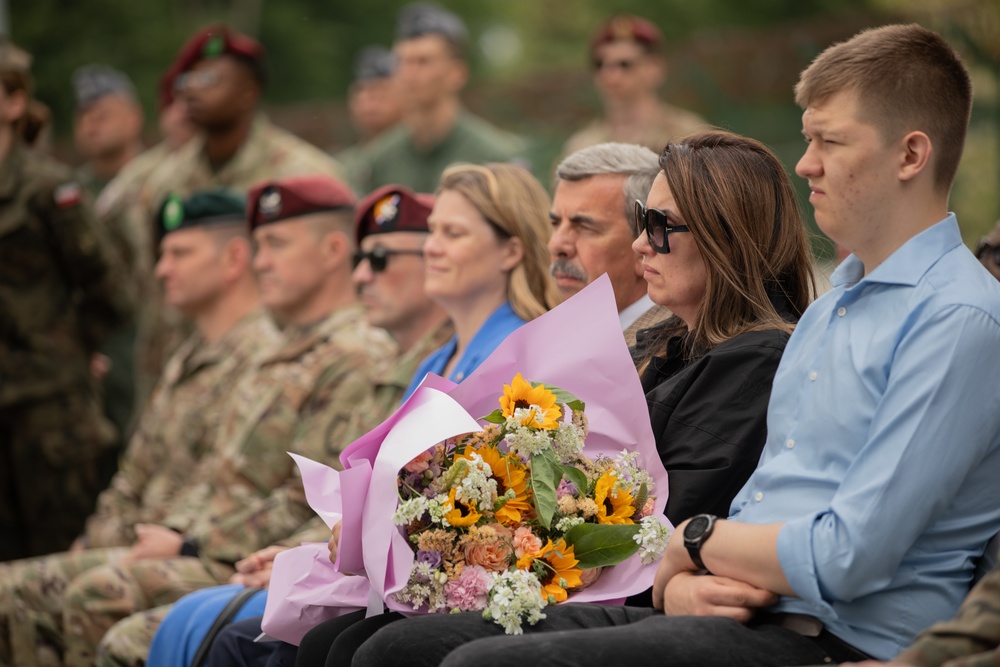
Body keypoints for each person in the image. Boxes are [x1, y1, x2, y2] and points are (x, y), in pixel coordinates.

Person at [352, 23, 1000, 667]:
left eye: (829, 141)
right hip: (754, 610)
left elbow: (848, 554)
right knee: (397, 644)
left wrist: (691, 542)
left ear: (910, 156)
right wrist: (681, 576)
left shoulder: (959, 318)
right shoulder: (833, 311)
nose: (806, 163)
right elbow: (763, 503)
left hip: (841, 639)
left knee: (478, 662)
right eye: (807, 139)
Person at [297, 129, 817, 667]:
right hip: (602, 573)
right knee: (335, 641)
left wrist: (495, 549)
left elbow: (658, 522)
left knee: (391, 650)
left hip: (633, 582)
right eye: (642, 221)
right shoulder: (673, 342)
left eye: (660, 227)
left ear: (723, 237)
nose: (643, 244)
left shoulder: (754, 361)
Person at [32, 175, 393, 667]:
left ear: (333, 250)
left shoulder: (353, 355)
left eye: (275, 244)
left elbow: (310, 498)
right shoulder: (279, 351)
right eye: (258, 244)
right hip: (209, 544)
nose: (259, 261)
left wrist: (189, 544)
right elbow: (192, 472)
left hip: (249, 556)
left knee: (97, 599)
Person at [142, 185, 454, 667]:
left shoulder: (368, 358)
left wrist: (196, 546)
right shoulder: (385, 361)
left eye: (379, 258)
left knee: (159, 629)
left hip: (333, 571)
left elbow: (309, 498)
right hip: (288, 556)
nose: (362, 275)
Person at [0, 189, 278, 663]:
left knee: (74, 593)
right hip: (145, 539)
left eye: (180, 253)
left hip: (196, 547)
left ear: (234, 258)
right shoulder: (186, 355)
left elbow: (229, 484)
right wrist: (94, 537)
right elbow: (137, 466)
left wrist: (183, 543)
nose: (161, 268)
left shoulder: (266, 358)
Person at [122, 23, 346, 402]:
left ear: (247, 92)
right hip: (180, 379)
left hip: (271, 386)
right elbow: (148, 290)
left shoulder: (304, 176)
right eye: (187, 80)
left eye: (209, 79)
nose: (192, 89)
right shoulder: (160, 184)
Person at [0, 39, 133, 562]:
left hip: (49, 412)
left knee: (59, 564)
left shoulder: (48, 189)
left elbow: (111, 292)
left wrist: (70, 349)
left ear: (13, 104)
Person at [403, 161, 561, 396]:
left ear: (510, 252)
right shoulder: (433, 364)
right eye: (431, 231)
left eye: (453, 233)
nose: (430, 247)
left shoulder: (524, 358)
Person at [349, 3, 527, 194]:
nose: (409, 73)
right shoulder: (380, 161)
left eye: (423, 62)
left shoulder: (493, 158)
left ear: (457, 74)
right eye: (402, 62)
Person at [71, 63, 149, 493]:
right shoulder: (68, 193)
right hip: (96, 354)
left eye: (103, 112)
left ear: (135, 117)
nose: (91, 123)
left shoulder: (159, 181)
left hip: (146, 343)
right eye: (84, 115)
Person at [549, 142, 672, 347]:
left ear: (645, 242)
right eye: (555, 223)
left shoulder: (671, 352)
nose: (556, 245)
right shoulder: (560, 335)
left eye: (585, 227)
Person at [559, 14, 706, 161]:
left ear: (655, 68)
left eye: (625, 64)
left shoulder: (690, 137)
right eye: (600, 64)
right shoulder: (579, 148)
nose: (610, 76)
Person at [72, 64, 145, 199]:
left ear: (133, 120)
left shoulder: (158, 178)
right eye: (82, 116)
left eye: (102, 116)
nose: (89, 127)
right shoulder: (71, 189)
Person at [335, 46, 404, 179]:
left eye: (382, 90)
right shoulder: (342, 165)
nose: (370, 101)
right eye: (361, 91)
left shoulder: (419, 158)